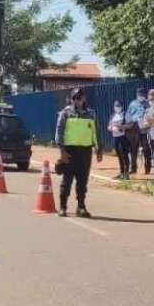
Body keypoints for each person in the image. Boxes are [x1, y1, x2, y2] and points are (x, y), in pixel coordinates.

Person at [55, 87, 102, 218]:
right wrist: (62, 151)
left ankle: (81, 207)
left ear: (84, 99)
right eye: (75, 98)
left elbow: (96, 133)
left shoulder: (91, 114)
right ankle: (62, 207)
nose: (77, 101)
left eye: (79, 98)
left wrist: (99, 149)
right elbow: (59, 132)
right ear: (71, 99)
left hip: (85, 152)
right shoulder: (65, 113)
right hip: (70, 151)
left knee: (82, 181)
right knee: (67, 181)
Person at [126, 88, 150, 174]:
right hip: (134, 130)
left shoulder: (148, 104)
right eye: (140, 95)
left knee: (146, 148)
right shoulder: (132, 104)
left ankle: (148, 167)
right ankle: (133, 168)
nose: (141, 97)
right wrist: (133, 120)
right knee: (133, 149)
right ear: (137, 95)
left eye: (143, 95)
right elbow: (128, 115)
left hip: (145, 130)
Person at [108, 99, 132, 180]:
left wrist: (122, 126)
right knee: (119, 155)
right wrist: (111, 128)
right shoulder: (113, 115)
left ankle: (126, 173)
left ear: (121, 106)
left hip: (123, 137)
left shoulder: (125, 114)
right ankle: (121, 172)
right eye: (115, 106)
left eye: (118, 106)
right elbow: (109, 126)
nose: (117, 107)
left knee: (124, 155)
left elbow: (131, 124)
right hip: (115, 137)